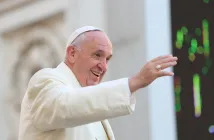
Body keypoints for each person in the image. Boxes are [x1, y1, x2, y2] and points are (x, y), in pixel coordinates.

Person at [18, 26, 178, 140]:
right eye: (97, 55)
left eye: (107, 59)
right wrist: (133, 83)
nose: (104, 66)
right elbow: (65, 106)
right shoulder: (45, 80)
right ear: (72, 54)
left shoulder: (91, 103)